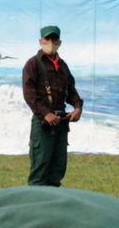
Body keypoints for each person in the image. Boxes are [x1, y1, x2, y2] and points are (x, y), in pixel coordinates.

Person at [21, 25, 82, 188]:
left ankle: (53, 210)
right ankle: (35, 209)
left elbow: (71, 91)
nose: (51, 42)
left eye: (54, 39)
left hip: (61, 122)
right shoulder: (32, 64)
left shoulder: (63, 66)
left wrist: (77, 107)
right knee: (39, 171)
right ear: (41, 41)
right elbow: (29, 94)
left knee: (57, 169)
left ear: (59, 42)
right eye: (47, 39)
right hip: (43, 123)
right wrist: (46, 114)